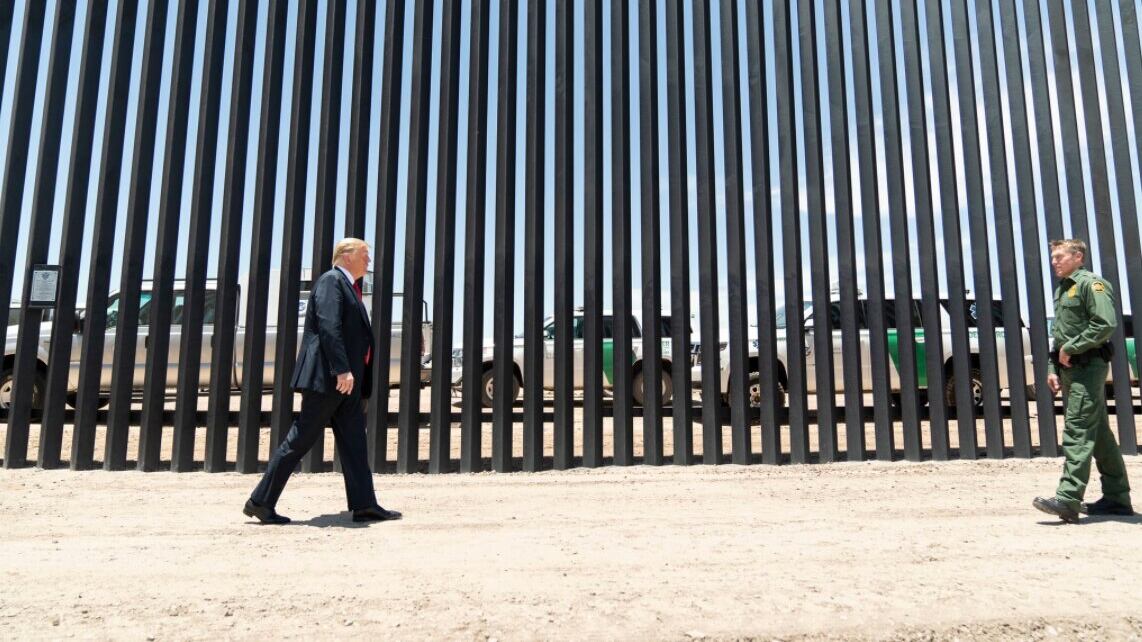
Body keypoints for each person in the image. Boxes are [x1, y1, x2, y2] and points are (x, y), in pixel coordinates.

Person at [244, 238, 401, 524]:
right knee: (300, 439)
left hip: (347, 384)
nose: (369, 261)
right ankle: (260, 501)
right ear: (346, 255)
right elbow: (329, 327)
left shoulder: (349, 287)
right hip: (330, 379)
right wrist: (342, 369)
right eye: (365, 255)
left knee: (354, 443)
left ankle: (365, 504)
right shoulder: (331, 281)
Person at [1033, 239, 1133, 523]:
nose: (1054, 262)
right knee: (1099, 436)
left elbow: (1105, 323)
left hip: (1089, 367)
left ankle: (1067, 498)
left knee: (1077, 428)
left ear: (1078, 257)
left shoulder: (1093, 284)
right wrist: (1054, 365)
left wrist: (1072, 348)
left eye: (1059, 256)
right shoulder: (1063, 289)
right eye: (1052, 257)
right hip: (1071, 369)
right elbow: (1061, 334)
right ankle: (1117, 499)